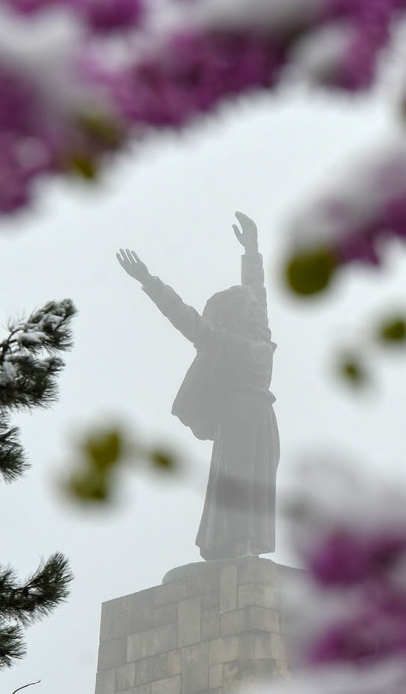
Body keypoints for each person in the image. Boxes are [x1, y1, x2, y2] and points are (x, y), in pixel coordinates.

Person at [117, 212, 279, 560]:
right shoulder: (220, 337)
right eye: (249, 305)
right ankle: (235, 541)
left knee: (260, 477)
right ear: (237, 312)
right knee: (237, 476)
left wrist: (251, 250)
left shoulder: (260, 334)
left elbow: (256, 288)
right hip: (236, 412)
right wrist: (148, 280)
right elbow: (181, 314)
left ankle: (250, 538)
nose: (255, 306)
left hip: (263, 413)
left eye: (255, 305)